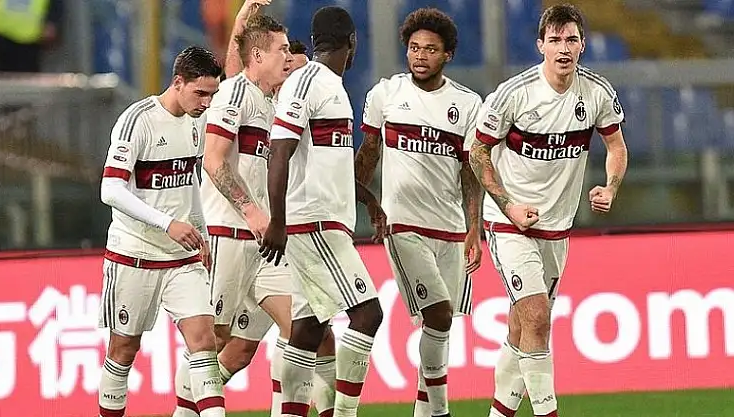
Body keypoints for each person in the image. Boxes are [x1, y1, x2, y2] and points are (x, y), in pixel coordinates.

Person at [171, 14, 336, 417]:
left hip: (264, 247)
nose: (287, 57)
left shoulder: (273, 103)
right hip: (227, 235)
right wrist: (251, 211)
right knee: (213, 340)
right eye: (282, 50)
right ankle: (185, 410)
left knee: (309, 329)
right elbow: (213, 161)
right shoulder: (232, 94)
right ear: (259, 56)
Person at [469, 4, 628, 417]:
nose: (564, 48)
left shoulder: (596, 93)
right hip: (509, 224)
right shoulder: (514, 94)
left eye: (571, 39)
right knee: (538, 317)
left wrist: (611, 186)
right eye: (555, 40)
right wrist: (508, 205)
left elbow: (616, 146)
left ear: (582, 46)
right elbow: (478, 152)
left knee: (522, 327)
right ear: (540, 45)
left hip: (557, 228)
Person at [259, 6, 387, 417]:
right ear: (353, 42)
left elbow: (325, 160)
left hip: (323, 220)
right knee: (367, 314)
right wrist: (278, 220)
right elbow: (280, 151)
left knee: (307, 330)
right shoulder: (308, 81)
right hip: (314, 222)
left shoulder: (329, 86)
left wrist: (366, 198)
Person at [355, 7, 483, 417]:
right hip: (403, 225)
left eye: (430, 49)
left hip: (451, 228)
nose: (420, 56)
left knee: (440, 326)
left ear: (447, 54)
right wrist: (360, 201)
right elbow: (368, 154)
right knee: (439, 315)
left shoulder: (467, 104)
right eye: (414, 48)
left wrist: (474, 227)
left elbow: (470, 172)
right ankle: (442, 411)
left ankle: (424, 411)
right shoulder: (386, 94)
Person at [97, 46, 224, 417]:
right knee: (123, 350)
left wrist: (201, 232)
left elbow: (189, 181)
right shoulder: (137, 121)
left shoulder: (198, 120)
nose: (206, 103)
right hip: (134, 255)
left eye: (212, 94)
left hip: (182, 258)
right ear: (178, 82)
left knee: (204, 341)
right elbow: (110, 190)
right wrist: (168, 224)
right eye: (200, 93)